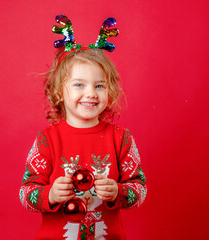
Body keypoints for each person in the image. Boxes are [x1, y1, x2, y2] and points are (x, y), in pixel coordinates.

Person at [20, 15, 147, 240]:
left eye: (99, 85)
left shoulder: (121, 139)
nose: (90, 93)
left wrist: (118, 191)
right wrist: (50, 194)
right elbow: (26, 192)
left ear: (110, 92)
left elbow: (139, 189)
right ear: (59, 91)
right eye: (79, 84)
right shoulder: (47, 140)